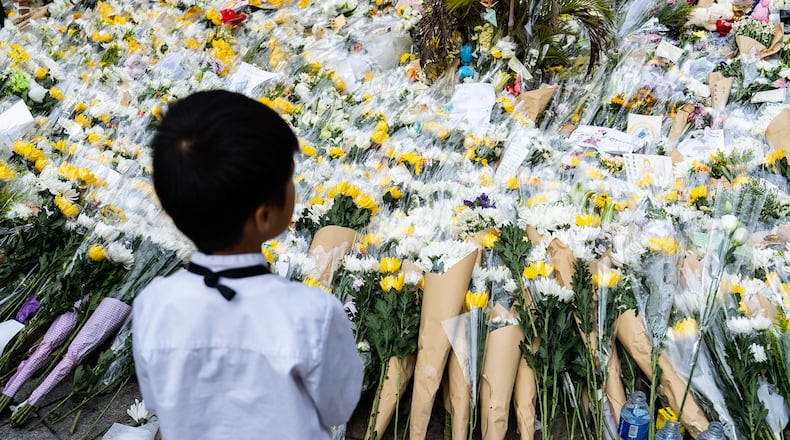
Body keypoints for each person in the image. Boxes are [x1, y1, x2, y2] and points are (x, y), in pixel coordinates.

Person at [132, 90, 363, 439]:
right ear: (265, 215)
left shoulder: (154, 304)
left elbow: (155, 398)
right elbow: (338, 406)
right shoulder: (312, 312)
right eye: (289, 178)